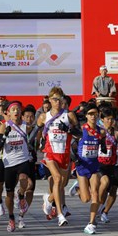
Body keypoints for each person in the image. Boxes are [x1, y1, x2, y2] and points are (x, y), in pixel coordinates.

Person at [38, 88, 78, 227]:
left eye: (60, 99)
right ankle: (60, 215)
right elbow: (36, 130)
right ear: (49, 100)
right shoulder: (44, 116)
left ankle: (48, 199)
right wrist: (40, 141)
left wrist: (68, 130)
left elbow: (78, 133)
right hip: (50, 153)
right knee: (57, 179)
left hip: (64, 154)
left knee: (62, 184)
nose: (57, 102)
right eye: (54, 99)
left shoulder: (69, 115)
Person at [0, 101, 36, 232]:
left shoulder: (26, 126)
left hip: (22, 159)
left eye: (18, 109)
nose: (16, 111)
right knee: (9, 194)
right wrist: (4, 136)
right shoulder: (4, 126)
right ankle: (11, 217)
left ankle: (21, 195)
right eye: (13, 109)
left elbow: (36, 132)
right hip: (9, 163)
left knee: (24, 179)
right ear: (8, 112)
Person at [70, 105, 107, 235]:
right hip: (82, 165)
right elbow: (72, 146)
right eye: (90, 113)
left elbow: (102, 143)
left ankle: (91, 224)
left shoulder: (101, 131)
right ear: (86, 116)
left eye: (95, 113)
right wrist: (75, 159)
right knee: (85, 199)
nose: (93, 116)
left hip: (94, 165)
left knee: (95, 194)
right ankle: (78, 188)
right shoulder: (81, 129)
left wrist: (103, 148)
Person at [97, 107, 118, 224]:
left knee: (113, 190)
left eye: (112, 119)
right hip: (101, 164)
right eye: (107, 119)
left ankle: (105, 212)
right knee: (105, 183)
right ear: (102, 119)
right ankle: (99, 204)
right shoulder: (99, 132)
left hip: (114, 164)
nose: (110, 121)